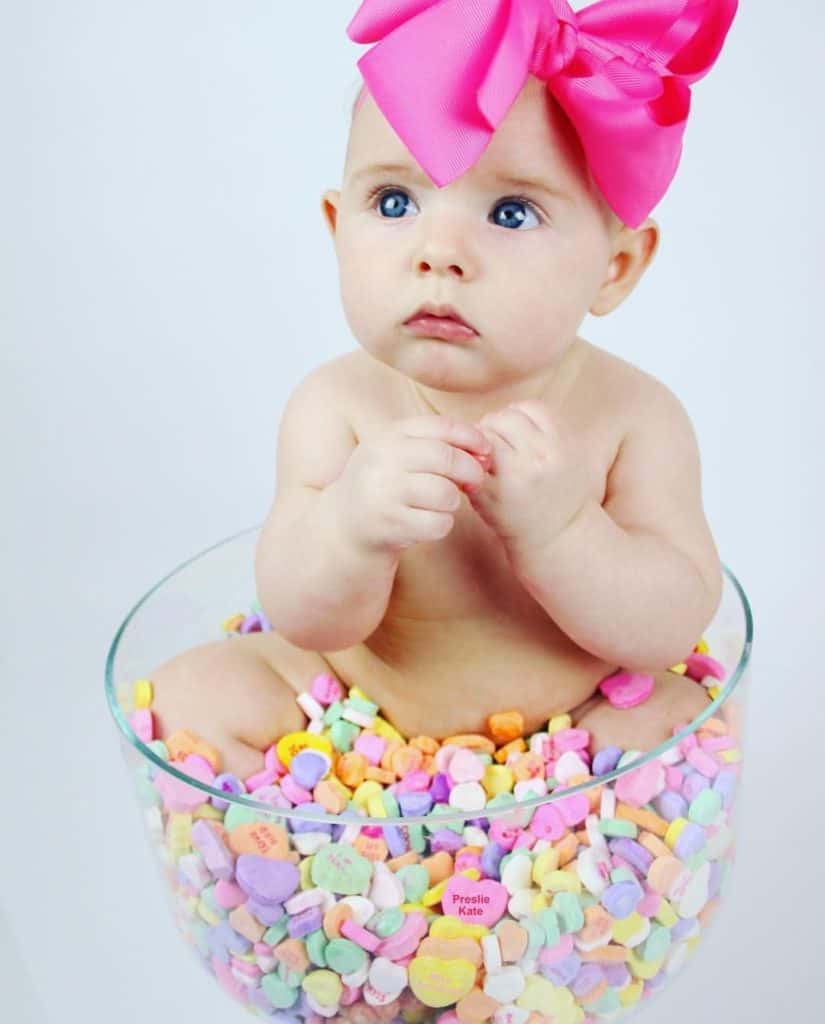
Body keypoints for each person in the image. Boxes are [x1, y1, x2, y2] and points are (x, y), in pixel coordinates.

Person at [147, 0, 736, 779]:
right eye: (394, 203)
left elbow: (669, 624)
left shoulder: (633, 417)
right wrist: (351, 527)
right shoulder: (335, 405)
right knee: (190, 694)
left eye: (511, 211)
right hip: (352, 709)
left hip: (575, 722)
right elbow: (301, 616)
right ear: (335, 227)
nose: (439, 252)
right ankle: (339, 864)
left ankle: (532, 856)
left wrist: (563, 531)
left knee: (678, 723)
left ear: (616, 267)